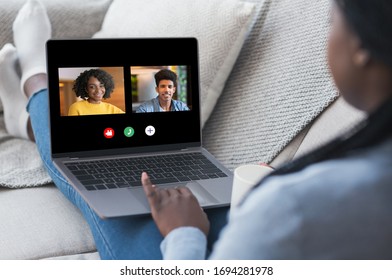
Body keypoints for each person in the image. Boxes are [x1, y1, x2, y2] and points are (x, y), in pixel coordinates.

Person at [0, 0, 391, 260]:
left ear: (362, 48)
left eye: (331, 22)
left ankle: (37, 86)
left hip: (190, 252)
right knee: (110, 162)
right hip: (241, 231)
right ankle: (33, 109)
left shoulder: (289, 208)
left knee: (106, 184)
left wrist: (184, 231)